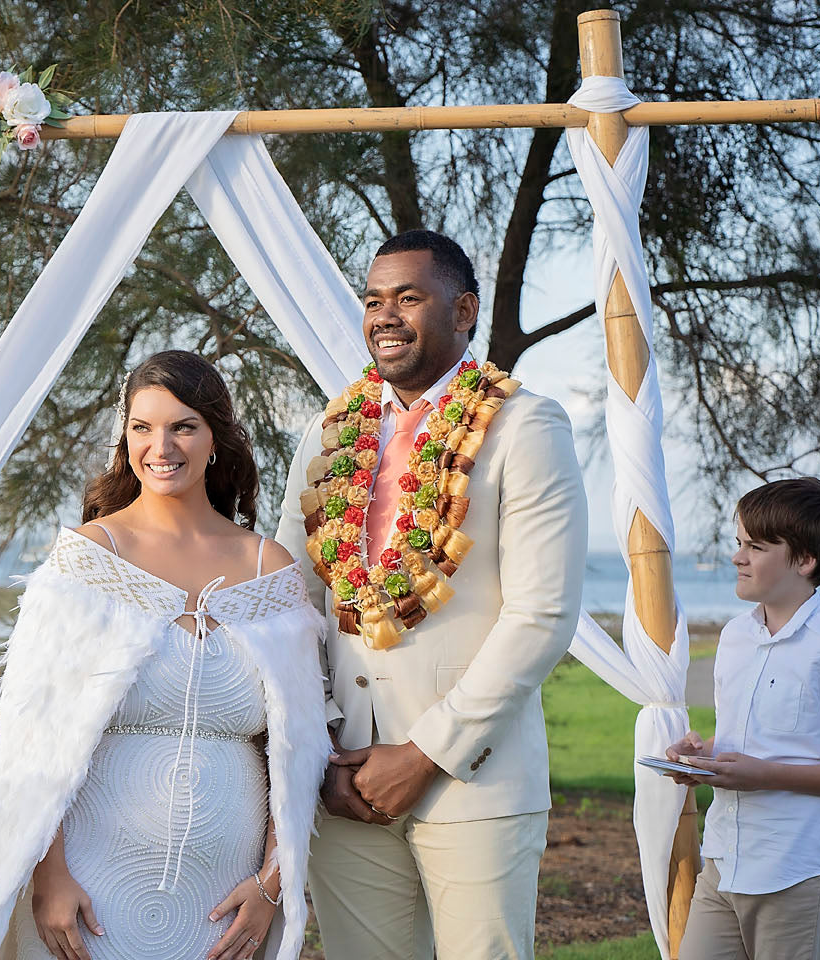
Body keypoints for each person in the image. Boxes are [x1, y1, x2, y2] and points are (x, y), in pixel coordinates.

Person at [0, 350, 331, 960]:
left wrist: (271, 883)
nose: (161, 446)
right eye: (142, 427)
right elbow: (32, 737)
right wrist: (50, 877)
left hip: (227, 895)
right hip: (90, 885)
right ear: (124, 440)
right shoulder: (90, 557)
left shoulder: (269, 568)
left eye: (183, 426)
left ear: (215, 439)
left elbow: (296, 746)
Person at [275, 229, 588, 960]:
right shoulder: (331, 431)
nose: (385, 315)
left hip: (475, 780)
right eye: (374, 300)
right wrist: (321, 740)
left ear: (464, 310)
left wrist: (426, 753)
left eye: (409, 298)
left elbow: (542, 615)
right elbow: (289, 602)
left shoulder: (525, 426)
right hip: (344, 779)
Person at [666, 478, 820, 960]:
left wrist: (762, 775)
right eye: (739, 543)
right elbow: (747, 745)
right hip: (723, 864)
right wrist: (700, 757)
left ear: (804, 560)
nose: (738, 557)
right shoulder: (734, 638)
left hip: (798, 873)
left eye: (756, 546)